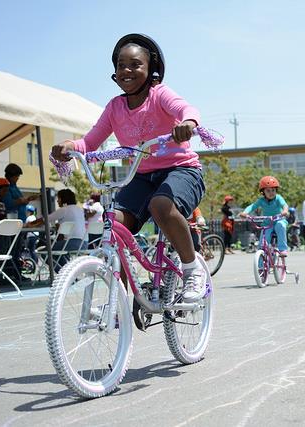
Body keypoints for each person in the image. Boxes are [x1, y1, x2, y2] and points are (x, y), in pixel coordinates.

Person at [50, 34, 206, 301]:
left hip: (181, 170)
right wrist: (68, 146)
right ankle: (118, 299)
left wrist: (188, 123)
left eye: (135, 64)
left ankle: (192, 269)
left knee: (160, 206)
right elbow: (89, 142)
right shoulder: (115, 107)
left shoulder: (159, 95)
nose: (127, 70)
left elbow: (185, 108)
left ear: (150, 69)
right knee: (114, 223)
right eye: (121, 65)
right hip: (142, 175)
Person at [26, 189, 87, 271]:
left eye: (58, 198)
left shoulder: (64, 210)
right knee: (58, 252)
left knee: (46, 252)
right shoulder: (79, 209)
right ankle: (68, 273)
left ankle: (62, 274)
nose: (57, 201)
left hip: (71, 243)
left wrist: (29, 224)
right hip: (84, 243)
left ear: (62, 199)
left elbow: (44, 220)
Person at [239, 176, 289, 256]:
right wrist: (245, 213)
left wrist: (285, 211)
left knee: (281, 226)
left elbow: (284, 205)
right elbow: (252, 206)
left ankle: (283, 249)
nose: (271, 193)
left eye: (273, 190)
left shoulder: (278, 198)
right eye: (268, 191)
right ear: (263, 192)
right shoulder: (261, 201)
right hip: (267, 223)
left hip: (278, 220)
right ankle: (261, 265)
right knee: (263, 244)